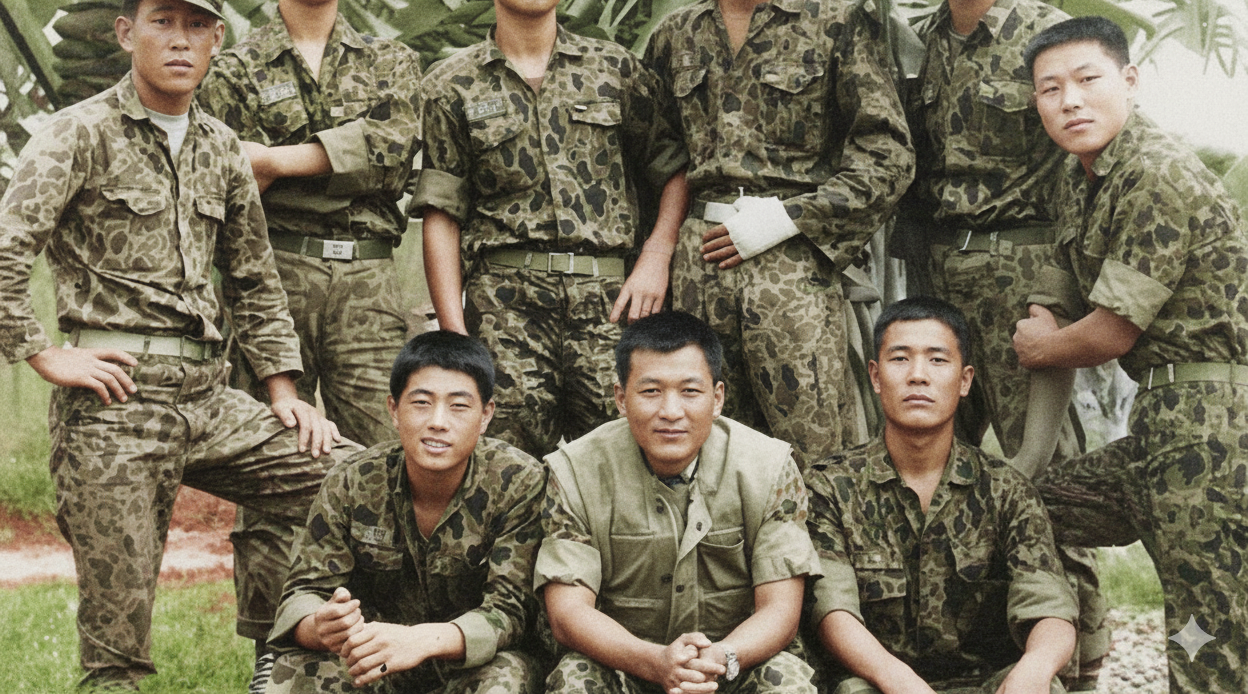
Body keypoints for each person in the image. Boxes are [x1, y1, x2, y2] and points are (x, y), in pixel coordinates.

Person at [0, 0, 350, 691]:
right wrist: (43, 353)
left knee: (362, 482)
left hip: (210, 399)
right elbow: (5, 250)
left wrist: (284, 391)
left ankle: (298, 660)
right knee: (117, 649)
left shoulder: (221, 146)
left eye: (198, 25)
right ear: (126, 32)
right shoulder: (76, 134)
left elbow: (254, 279)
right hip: (114, 407)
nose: (181, 41)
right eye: (163, 22)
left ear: (217, 40)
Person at [898, 0, 1106, 682]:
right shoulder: (915, 46)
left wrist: (1056, 298)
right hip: (937, 285)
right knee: (948, 476)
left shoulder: (1052, 44)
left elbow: (1088, 171)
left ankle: (1082, 666)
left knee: (1045, 485)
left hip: (1027, 286)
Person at [644, 0, 913, 469]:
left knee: (812, 449)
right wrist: (659, 251)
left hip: (793, 267)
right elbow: (658, 159)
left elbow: (888, 155)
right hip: (697, 265)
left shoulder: (836, 27)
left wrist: (792, 218)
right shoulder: (675, 37)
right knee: (704, 450)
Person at [1014, 16, 1248, 693]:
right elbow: (1058, 295)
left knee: (1205, 632)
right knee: (1024, 507)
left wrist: (1043, 346)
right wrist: (1044, 323)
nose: (1071, 101)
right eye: (1051, 89)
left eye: (1088, 80)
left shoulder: (1155, 171)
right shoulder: (1082, 176)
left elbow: (1108, 334)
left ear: (1130, 80)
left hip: (1214, 420)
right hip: (1161, 418)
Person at [412, 0, 689, 457]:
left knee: (624, 463)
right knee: (503, 467)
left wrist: (657, 255)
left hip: (611, 304)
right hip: (504, 306)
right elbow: (442, 212)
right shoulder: (451, 85)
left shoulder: (615, 71)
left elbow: (673, 170)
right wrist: (455, 335)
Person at [198, 0, 423, 447]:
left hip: (368, 281)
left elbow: (393, 155)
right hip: (271, 278)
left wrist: (276, 161)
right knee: (265, 449)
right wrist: (342, 158)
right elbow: (231, 180)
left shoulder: (390, 62)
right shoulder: (232, 71)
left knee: (385, 453)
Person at [537, 310, 820, 694]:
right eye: (651, 391)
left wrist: (718, 659)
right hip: (627, 668)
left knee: (786, 678)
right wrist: (654, 662)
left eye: (690, 391)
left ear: (717, 398)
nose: (671, 412)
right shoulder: (576, 472)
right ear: (621, 399)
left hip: (731, 666)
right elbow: (568, 613)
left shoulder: (768, 467)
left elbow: (781, 609)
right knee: (575, 677)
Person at [807, 297, 1077, 694]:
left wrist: (1035, 666)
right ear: (876, 376)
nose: (918, 375)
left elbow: (1050, 608)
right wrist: (898, 680)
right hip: (879, 683)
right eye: (900, 359)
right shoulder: (830, 487)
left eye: (937, 360)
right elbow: (832, 612)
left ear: (965, 380)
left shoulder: (1006, 490)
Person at [264, 331, 547, 694]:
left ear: (485, 415)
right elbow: (303, 593)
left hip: (473, 663)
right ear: (394, 410)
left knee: (506, 678)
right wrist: (321, 625)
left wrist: (422, 641)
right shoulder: (353, 480)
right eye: (421, 403)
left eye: (459, 406)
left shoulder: (518, 483)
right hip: (377, 656)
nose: (438, 421)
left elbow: (513, 611)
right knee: (296, 672)